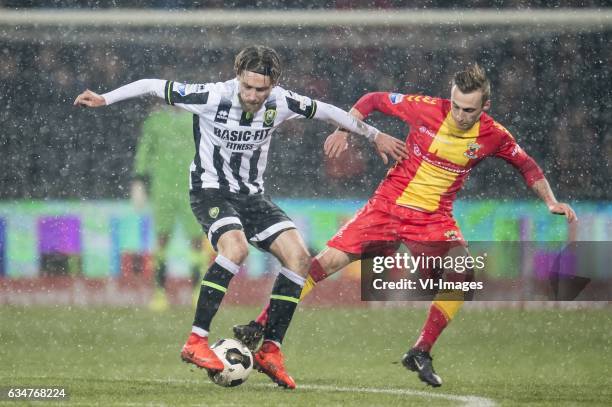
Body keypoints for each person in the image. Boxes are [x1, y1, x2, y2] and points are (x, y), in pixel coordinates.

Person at [73, 45, 406, 389]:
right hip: (210, 191)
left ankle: (271, 350)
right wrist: (105, 99)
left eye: (260, 89)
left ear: (273, 84)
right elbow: (152, 85)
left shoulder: (283, 102)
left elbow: (330, 112)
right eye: (247, 86)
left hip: (252, 197)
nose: (252, 95)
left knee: (300, 258)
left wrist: (375, 135)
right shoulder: (212, 96)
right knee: (235, 249)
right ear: (237, 77)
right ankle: (196, 341)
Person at [233, 63, 578, 387]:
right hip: (386, 208)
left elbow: (527, 165)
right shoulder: (425, 108)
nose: (459, 115)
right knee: (320, 265)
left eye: (469, 110)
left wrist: (550, 200)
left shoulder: (494, 136)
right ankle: (259, 325)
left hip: (432, 219)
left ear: (485, 106)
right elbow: (372, 100)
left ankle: (420, 351)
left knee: (462, 270)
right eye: (456, 105)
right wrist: (345, 128)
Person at [131, 107, 210, 311]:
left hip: (191, 188)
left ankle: (197, 292)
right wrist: (139, 179)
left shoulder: (197, 119)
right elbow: (144, 149)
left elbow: (208, 149)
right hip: (162, 188)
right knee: (161, 238)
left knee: (196, 241)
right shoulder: (155, 121)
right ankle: (159, 293)